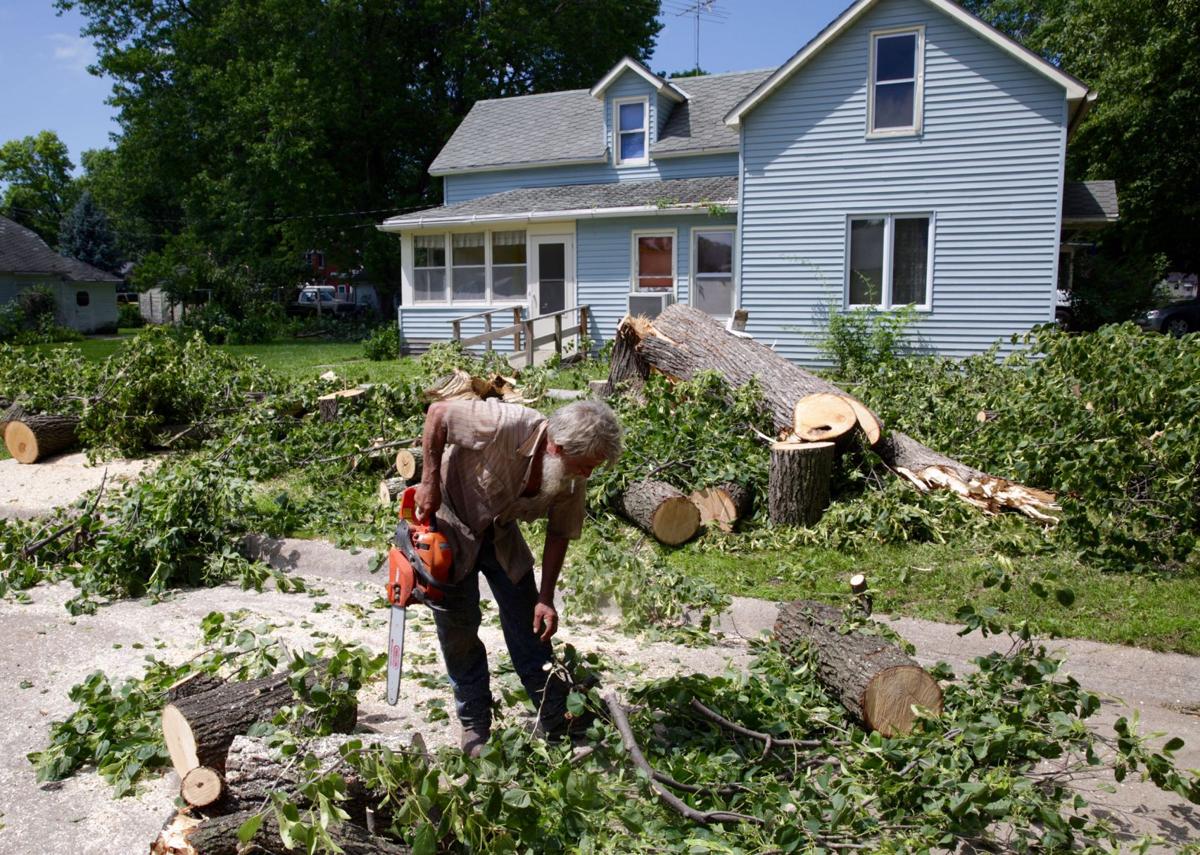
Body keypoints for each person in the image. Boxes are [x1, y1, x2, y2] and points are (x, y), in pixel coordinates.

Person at [414, 397, 622, 757]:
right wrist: (428, 481)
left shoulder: (570, 478)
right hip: (450, 522)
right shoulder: (504, 423)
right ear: (557, 446)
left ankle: (555, 715)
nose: (588, 474)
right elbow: (438, 414)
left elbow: (559, 534)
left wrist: (545, 598)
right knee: (460, 629)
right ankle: (474, 724)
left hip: (499, 532)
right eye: (586, 465)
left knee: (531, 623)